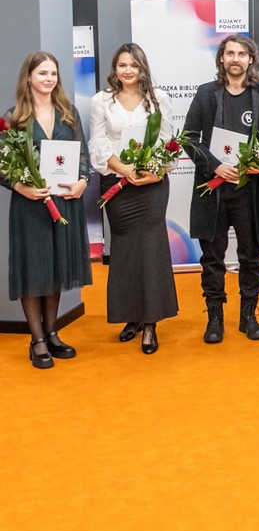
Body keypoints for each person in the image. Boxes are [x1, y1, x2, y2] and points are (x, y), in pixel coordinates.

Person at [182, 34, 259, 344]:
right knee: (212, 258)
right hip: (213, 189)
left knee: (251, 257)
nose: (236, 58)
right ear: (222, 59)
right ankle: (215, 318)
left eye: (242, 53)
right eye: (230, 53)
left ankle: (248, 316)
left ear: (250, 59)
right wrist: (214, 166)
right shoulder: (205, 94)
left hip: (251, 192)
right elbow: (189, 137)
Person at [90, 43, 178, 355]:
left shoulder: (159, 99)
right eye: (122, 65)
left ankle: (151, 322)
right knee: (125, 250)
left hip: (152, 185)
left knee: (151, 248)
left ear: (142, 68)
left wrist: (155, 171)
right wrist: (122, 168)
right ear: (115, 68)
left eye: (134, 65)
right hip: (117, 184)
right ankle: (131, 316)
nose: (128, 70)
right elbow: (98, 141)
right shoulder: (102, 101)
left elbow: (168, 141)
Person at [4, 52, 91, 368]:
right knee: (34, 271)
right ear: (28, 77)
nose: (49, 79)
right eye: (42, 73)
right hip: (31, 208)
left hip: (65, 203)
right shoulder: (15, 118)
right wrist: (21, 188)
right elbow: (3, 166)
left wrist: (83, 180)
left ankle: (52, 333)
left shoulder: (69, 114)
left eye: (53, 73)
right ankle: (37, 340)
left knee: (54, 270)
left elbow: (83, 155)